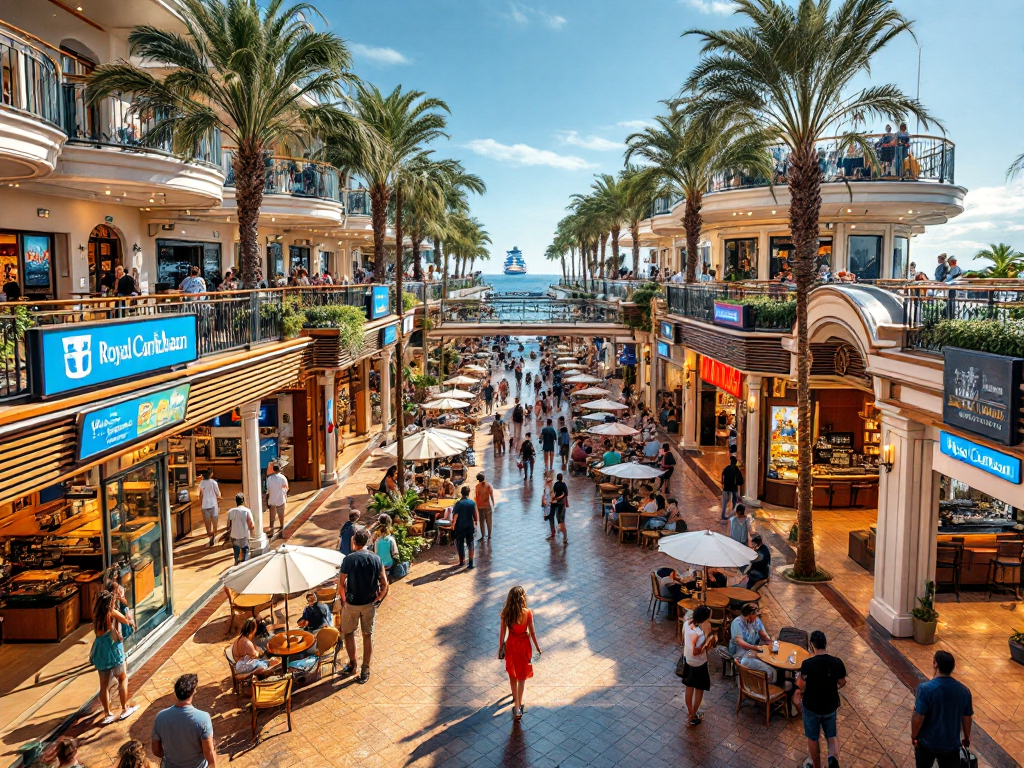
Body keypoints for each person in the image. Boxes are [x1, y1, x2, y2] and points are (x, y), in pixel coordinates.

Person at [337, 529, 388, 683]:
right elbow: (384, 584)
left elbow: (341, 583)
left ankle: (352, 664)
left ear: (354, 542)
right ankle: (365, 669)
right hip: (369, 603)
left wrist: (344, 600)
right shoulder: (376, 559)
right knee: (367, 635)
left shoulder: (349, 559)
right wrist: (377, 599)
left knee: (348, 634)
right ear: (367, 542)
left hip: (352, 603)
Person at [911, 650, 974, 768]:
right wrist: (967, 737)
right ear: (952, 668)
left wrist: (914, 735)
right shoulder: (964, 691)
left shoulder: (925, 689)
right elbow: (967, 717)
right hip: (951, 745)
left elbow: (919, 717)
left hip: (927, 742)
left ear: (935, 663)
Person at [794, 630, 847, 768]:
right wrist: (831, 688)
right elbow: (842, 682)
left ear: (812, 646)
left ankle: (817, 766)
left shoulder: (808, 664)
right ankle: (833, 763)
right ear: (825, 643)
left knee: (812, 738)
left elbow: (801, 684)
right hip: (830, 706)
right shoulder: (837, 662)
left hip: (812, 707)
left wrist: (798, 687)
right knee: (831, 736)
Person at [90, 590, 137, 724]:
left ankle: (107, 713)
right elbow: (125, 620)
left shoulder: (95, 615)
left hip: (100, 650)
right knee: (122, 678)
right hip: (112, 649)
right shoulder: (110, 613)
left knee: (103, 684)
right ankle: (124, 708)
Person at [151, 674, 216, 768]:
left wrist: (173, 759)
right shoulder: (203, 718)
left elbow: (156, 751)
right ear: (193, 692)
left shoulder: (161, 717)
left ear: (175, 693)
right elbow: (209, 753)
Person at [498, 586, 542, 721]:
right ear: (523, 597)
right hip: (524, 646)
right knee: (522, 676)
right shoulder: (527, 612)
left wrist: (500, 648)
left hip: (511, 644)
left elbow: (502, 634)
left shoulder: (505, 613)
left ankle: (515, 699)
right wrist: (538, 648)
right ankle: (518, 707)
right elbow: (532, 632)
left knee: (512, 673)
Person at [682, 604, 715, 727]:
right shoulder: (701, 634)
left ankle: (690, 711)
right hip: (699, 664)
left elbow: (684, 640)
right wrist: (707, 640)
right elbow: (698, 651)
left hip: (688, 660)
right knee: (699, 689)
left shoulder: (687, 624)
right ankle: (693, 715)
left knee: (689, 687)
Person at [728, 603, 776, 682]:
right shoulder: (737, 623)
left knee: (773, 668)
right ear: (750, 614)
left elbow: (762, 632)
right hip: (741, 655)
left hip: (753, 651)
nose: (757, 617)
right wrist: (754, 647)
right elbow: (740, 642)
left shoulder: (756, 620)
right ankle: (761, 688)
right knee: (769, 671)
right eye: (755, 615)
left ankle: (768, 686)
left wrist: (769, 640)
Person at [452, 485, 479, 569]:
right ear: (469, 493)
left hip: (460, 526)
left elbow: (455, 516)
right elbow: (475, 516)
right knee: (470, 543)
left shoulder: (458, 503)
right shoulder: (472, 503)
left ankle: (462, 561)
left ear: (461, 493)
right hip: (470, 526)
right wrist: (476, 523)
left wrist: (452, 525)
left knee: (460, 543)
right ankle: (470, 563)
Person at [225, 493, 254, 564]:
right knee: (245, 554)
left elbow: (228, 525)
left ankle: (236, 565)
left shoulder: (231, 511)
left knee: (236, 555)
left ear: (236, 501)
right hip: (244, 536)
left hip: (234, 536)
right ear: (243, 501)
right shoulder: (247, 511)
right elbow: (251, 524)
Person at [197, 468, 221, 547]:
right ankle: (214, 535)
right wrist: (220, 496)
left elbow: (199, 494)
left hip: (205, 505)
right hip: (213, 504)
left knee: (207, 523)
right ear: (211, 474)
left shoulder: (201, 483)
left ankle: (210, 537)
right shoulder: (214, 483)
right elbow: (218, 493)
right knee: (215, 521)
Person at [265, 463, 289, 538]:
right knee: (281, 516)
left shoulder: (269, 479)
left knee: (272, 517)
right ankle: (282, 529)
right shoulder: (283, 478)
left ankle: (271, 529)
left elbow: (268, 489)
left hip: (272, 499)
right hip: (280, 499)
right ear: (280, 469)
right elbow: (285, 488)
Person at [720, 455, 743, 521]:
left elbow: (722, 474)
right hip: (733, 488)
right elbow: (739, 478)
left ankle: (723, 515)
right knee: (734, 502)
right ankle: (732, 515)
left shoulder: (727, 468)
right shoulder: (736, 469)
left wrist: (722, 482)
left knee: (724, 502)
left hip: (726, 488)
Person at [474, 472, 496, 541]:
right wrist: (493, 504)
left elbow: (476, 497)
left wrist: (476, 506)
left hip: (480, 506)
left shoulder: (477, 487)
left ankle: (483, 536)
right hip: (487, 506)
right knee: (489, 521)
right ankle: (489, 536)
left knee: (482, 522)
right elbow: (492, 497)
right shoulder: (488, 486)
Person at [549, 472, 569, 546]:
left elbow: (555, 493)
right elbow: (565, 494)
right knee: (561, 520)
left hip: (558, 504)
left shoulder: (556, 484)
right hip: (560, 504)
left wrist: (555, 498)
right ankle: (565, 536)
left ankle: (564, 535)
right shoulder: (563, 485)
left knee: (560, 519)